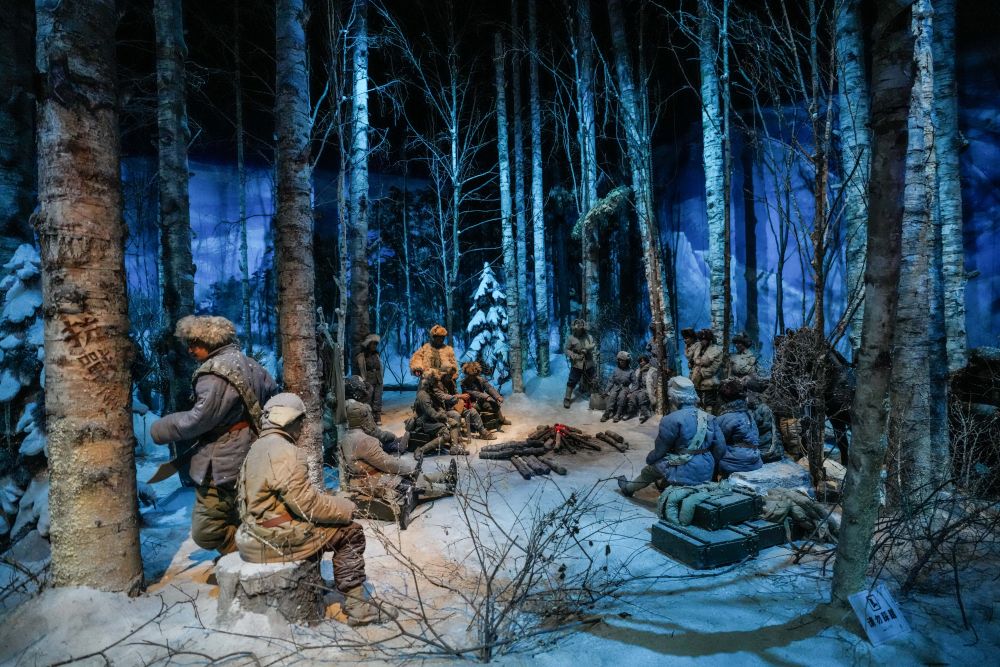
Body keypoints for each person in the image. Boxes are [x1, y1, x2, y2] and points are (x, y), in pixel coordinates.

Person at [235, 393, 395, 626]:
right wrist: (344, 507)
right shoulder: (286, 451)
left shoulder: (257, 447)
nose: (302, 426)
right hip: (272, 537)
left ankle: (318, 583)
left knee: (320, 527)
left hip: (255, 531)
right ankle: (359, 608)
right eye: (300, 420)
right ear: (287, 419)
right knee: (350, 533)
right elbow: (306, 505)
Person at [151, 315, 278, 556]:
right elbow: (272, 397)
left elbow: (198, 420)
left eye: (195, 343)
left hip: (222, 458)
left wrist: (160, 428)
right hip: (252, 452)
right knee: (242, 512)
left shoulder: (213, 373)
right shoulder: (252, 364)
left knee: (206, 530)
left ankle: (244, 554)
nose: (190, 350)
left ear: (210, 341)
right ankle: (249, 556)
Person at [342, 402, 457, 528]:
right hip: (374, 480)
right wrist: (409, 469)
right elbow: (387, 463)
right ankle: (446, 488)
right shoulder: (365, 440)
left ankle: (445, 476)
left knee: (412, 478)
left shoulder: (346, 437)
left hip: (362, 479)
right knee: (414, 484)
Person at [616, 376, 725, 496]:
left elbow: (660, 451)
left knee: (649, 470)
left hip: (683, 467)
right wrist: (706, 461)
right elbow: (720, 449)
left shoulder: (671, 419)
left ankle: (628, 489)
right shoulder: (709, 417)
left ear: (673, 397)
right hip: (706, 468)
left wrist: (650, 460)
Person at [407, 368, 470, 460]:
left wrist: (444, 415)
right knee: (446, 435)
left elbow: (437, 407)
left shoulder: (430, 392)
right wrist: (444, 418)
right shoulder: (423, 395)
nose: (437, 383)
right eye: (435, 382)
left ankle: (455, 448)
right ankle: (420, 450)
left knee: (454, 423)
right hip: (424, 422)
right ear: (430, 382)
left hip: (432, 419)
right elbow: (431, 413)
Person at [344, 375, 407, 455]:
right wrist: (391, 436)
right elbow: (374, 433)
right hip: (362, 444)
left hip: (350, 442)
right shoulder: (360, 409)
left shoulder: (345, 404)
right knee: (390, 442)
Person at [715, 378, 763, 476]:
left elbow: (717, 444)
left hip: (736, 463)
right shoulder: (749, 414)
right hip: (755, 461)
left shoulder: (725, 418)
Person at [460, 361, 511, 427]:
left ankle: (501, 420)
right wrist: (486, 396)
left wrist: (497, 397)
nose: (473, 377)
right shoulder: (463, 383)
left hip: (481, 400)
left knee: (494, 404)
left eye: (474, 375)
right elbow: (473, 392)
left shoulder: (480, 379)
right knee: (474, 409)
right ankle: (476, 426)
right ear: (467, 374)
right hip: (471, 402)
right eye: (471, 375)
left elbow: (489, 388)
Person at [410, 325, 459, 393]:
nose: (441, 340)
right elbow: (416, 358)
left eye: (443, 337)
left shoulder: (448, 350)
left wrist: (453, 373)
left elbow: (453, 364)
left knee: (451, 392)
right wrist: (417, 368)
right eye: (439, 337)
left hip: (445, 378)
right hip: (429, 378)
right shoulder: (426, 348)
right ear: (434, 337)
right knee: (423, 394)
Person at [564, 318, 597, 409]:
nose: (579, 329)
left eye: (581, 327)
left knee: (593, 379)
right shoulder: (571, 338)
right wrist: (573, 355)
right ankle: (567, 398)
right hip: (577, 363)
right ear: (574, 328)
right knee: (572, 380)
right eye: (577, 328)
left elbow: (594, 345)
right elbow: (566, 349)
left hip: (588, 362)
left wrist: (587, 349)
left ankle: (595, 398)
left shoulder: (589, 337)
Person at [690, 328, 723, 413]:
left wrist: (700, 371)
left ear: (709, 340)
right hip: (696, 382)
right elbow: (691, 358)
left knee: (709, 404)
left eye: (704, 339)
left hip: (709, 382)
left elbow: (713, 368)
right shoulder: (699, 348)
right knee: (697, 403)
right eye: (701, 339)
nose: (702, 341)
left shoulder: (716, 350)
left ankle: (709, 418)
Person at [355, 334, 384, 424]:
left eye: (376, 344)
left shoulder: (377, 355)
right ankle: (368, 417)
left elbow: (380, 366)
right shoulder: (362, 356)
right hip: (368, 379)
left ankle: (377, 416)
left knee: (378, 397)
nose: (374, 346)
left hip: (378, 378)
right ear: (368, 344)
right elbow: (360, 369)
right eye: (373, 344)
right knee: (368, 398)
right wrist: (362, 380)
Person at [601, 351, 633, 423]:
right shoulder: (616, 370)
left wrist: (631, 392)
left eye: (623, 360)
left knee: (621, 397)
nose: (621, 362)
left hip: (625, 388)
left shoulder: (630, 371)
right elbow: (611, 381)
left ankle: (618, 414)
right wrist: (606, 391)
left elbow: (635, 383)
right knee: (612, 396)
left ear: (627, 361)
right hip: (616, 387)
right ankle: (606, 414)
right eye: (620, 360)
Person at [625, 355, 654, 423]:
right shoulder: (638, 370)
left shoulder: (652, 370)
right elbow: (634, 382)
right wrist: (631, 391)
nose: (642, 362)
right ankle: (631, 412)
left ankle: (645, 413)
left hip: (648, 389)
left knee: (641, 395)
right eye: (640, 361)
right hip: (639, 389)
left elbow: (655, 382)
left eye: (644, 361)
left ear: (647, 361)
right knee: (632, 395)